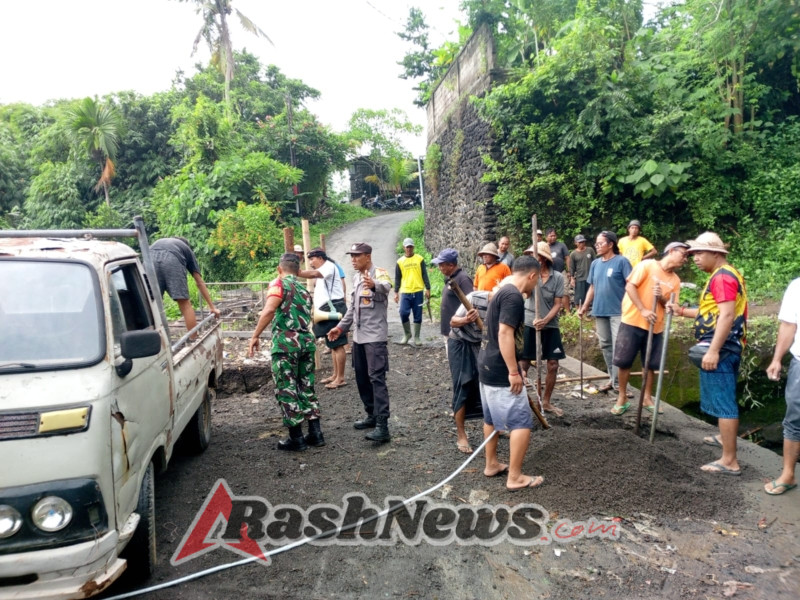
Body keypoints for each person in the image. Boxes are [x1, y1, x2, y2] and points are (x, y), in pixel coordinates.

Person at [668, 232, 747, 475]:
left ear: (716, 253)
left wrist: (713, 350)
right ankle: (724, 438)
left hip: (722, 346)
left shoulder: (722, 277)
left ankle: (729, 461)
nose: (694, 258)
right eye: (692, 254)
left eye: (699, 253)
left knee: (724, 402)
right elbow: (710, 311)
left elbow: (726, 315)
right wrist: (681, 311)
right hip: (726, 344)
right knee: (723, 396)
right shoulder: (724, 274)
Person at [478, 255, 543, 491]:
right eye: (536, 280)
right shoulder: (513, 297)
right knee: (521, 422)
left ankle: (492, 464)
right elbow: (505, 333)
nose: (535, 286)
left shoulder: (502, 291)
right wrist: (514, 372)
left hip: (486, 363)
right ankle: (515, 477)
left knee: (490, 419)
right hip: (499, 368)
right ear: (532, 275)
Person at [248, 253, 323, 452]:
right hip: (306, 343)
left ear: (279, 269)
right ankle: (316, 433)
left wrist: (255, 335)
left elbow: (269, 310)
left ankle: (296, 438)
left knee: (286, 388)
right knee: (306, 386)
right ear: (298, 271)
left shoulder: (279, 284)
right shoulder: (304, 289)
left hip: (286, 346)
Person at [610, 242, 688, 415]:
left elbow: (673, 307)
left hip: (655, 326)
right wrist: (643, 309)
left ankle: (647, 397)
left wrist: (661, 298)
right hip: (632, 320)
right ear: (671, 251)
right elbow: (630, 286)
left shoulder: (675, 280)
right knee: (624, 361)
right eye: (684, 254)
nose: (686, 259)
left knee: (650, 364)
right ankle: (622, 397)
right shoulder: (647, 265)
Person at [328, 243, 394, 442]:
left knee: (376, 379)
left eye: (357, 256)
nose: (353, 260)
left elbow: (386, 287)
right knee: (362, 378)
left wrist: (373, 284)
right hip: (359, 337)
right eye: (352, 256)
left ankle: (382, 425)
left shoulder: (379, 273)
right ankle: (371, 414)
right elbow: (352, 309)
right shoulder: (356, 278)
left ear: (368, 256)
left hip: (375, 338)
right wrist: (340, 328)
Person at [578, 231, 633, 395]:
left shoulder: (622, 262)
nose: (597, 246)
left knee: (619, 348)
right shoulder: (595, 264)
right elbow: (592, 287)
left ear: (610, 244)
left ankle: (620, 385)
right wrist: (585, 306)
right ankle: (613, 379)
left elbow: (631, 285)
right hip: (600, 310)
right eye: (596, 243)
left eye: (600, 243)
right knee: (606, 345)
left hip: (618, 312)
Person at [519, 242, 566, 417]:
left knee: (553, 364)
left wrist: (545, 320)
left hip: (550, 324)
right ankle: (521, 400)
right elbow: (525, 294)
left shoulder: (557, 277)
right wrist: (530, 280)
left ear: (544, 258)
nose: (533, 258)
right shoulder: (530, 275)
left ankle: (545, 402)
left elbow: (558, 304)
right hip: (530, 322)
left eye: (536, 256)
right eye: (531, 256)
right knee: (524, 361)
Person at [764, 278, 800, 495]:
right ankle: (788, 474)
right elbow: (788, 325)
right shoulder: (797, 287)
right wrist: (777, 359)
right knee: (795, 419)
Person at [298, 247, 348, 389]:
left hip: (333, 307)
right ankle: (335, 374)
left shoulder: (328, 266)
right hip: (328, 308)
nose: (311, 263)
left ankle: (340, 378)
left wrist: (297, 272)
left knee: (338, 344)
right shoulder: (325, 268)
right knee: (332, 344)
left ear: (320, 258)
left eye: (312, 259)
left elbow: (314, 273)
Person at [150, 237, 220, 333]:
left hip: (149, 258)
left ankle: (156, 339)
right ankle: (193, 338)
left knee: (153, 303)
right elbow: (199, 281)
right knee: (184, 303)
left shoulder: (161, 242)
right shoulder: (186, 249)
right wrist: (212, 307)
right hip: (171, 259)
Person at [448, 289, 489, 453]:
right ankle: (461, 435)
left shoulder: (507, 307)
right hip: (460, 342)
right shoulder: (475, 298)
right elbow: (453, 321)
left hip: (480, 343)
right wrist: (466, 319)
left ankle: (494, 426)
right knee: (462, 384)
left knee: (487, 385)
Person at [394, 238, 431, 346]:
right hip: (406, 291)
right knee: (403, 312)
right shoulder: (400, 262)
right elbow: (397, 278)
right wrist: (396, 292)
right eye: (407, 247)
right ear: (404, 248)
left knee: (417, 314)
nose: (409, 249)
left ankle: (417, 336)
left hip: (418, 291)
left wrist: (428, 288)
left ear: (413, 247)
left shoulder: (419, 259)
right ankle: (407, 334)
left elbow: (424, 274)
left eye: (410, 247)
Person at [433, 248, 474, 346]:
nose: (439, 268)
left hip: (458, 333)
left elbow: (471, 304)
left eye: (441, 265)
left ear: (451, 265)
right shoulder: (451, 278)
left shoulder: (463, 279)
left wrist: (464, 320)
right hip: (450, 330)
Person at [569, 235, 596, 310]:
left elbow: (595, 262)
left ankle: (586, 313)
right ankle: (579, 312)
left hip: (590, 277)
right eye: (580, 242)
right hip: (580, 278)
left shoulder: (590, 250)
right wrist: (572, 278)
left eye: (583, 242)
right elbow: (572, 267)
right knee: (579, 298)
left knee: (589, 296)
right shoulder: (573, 254)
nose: (582, 243)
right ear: (576, 243)